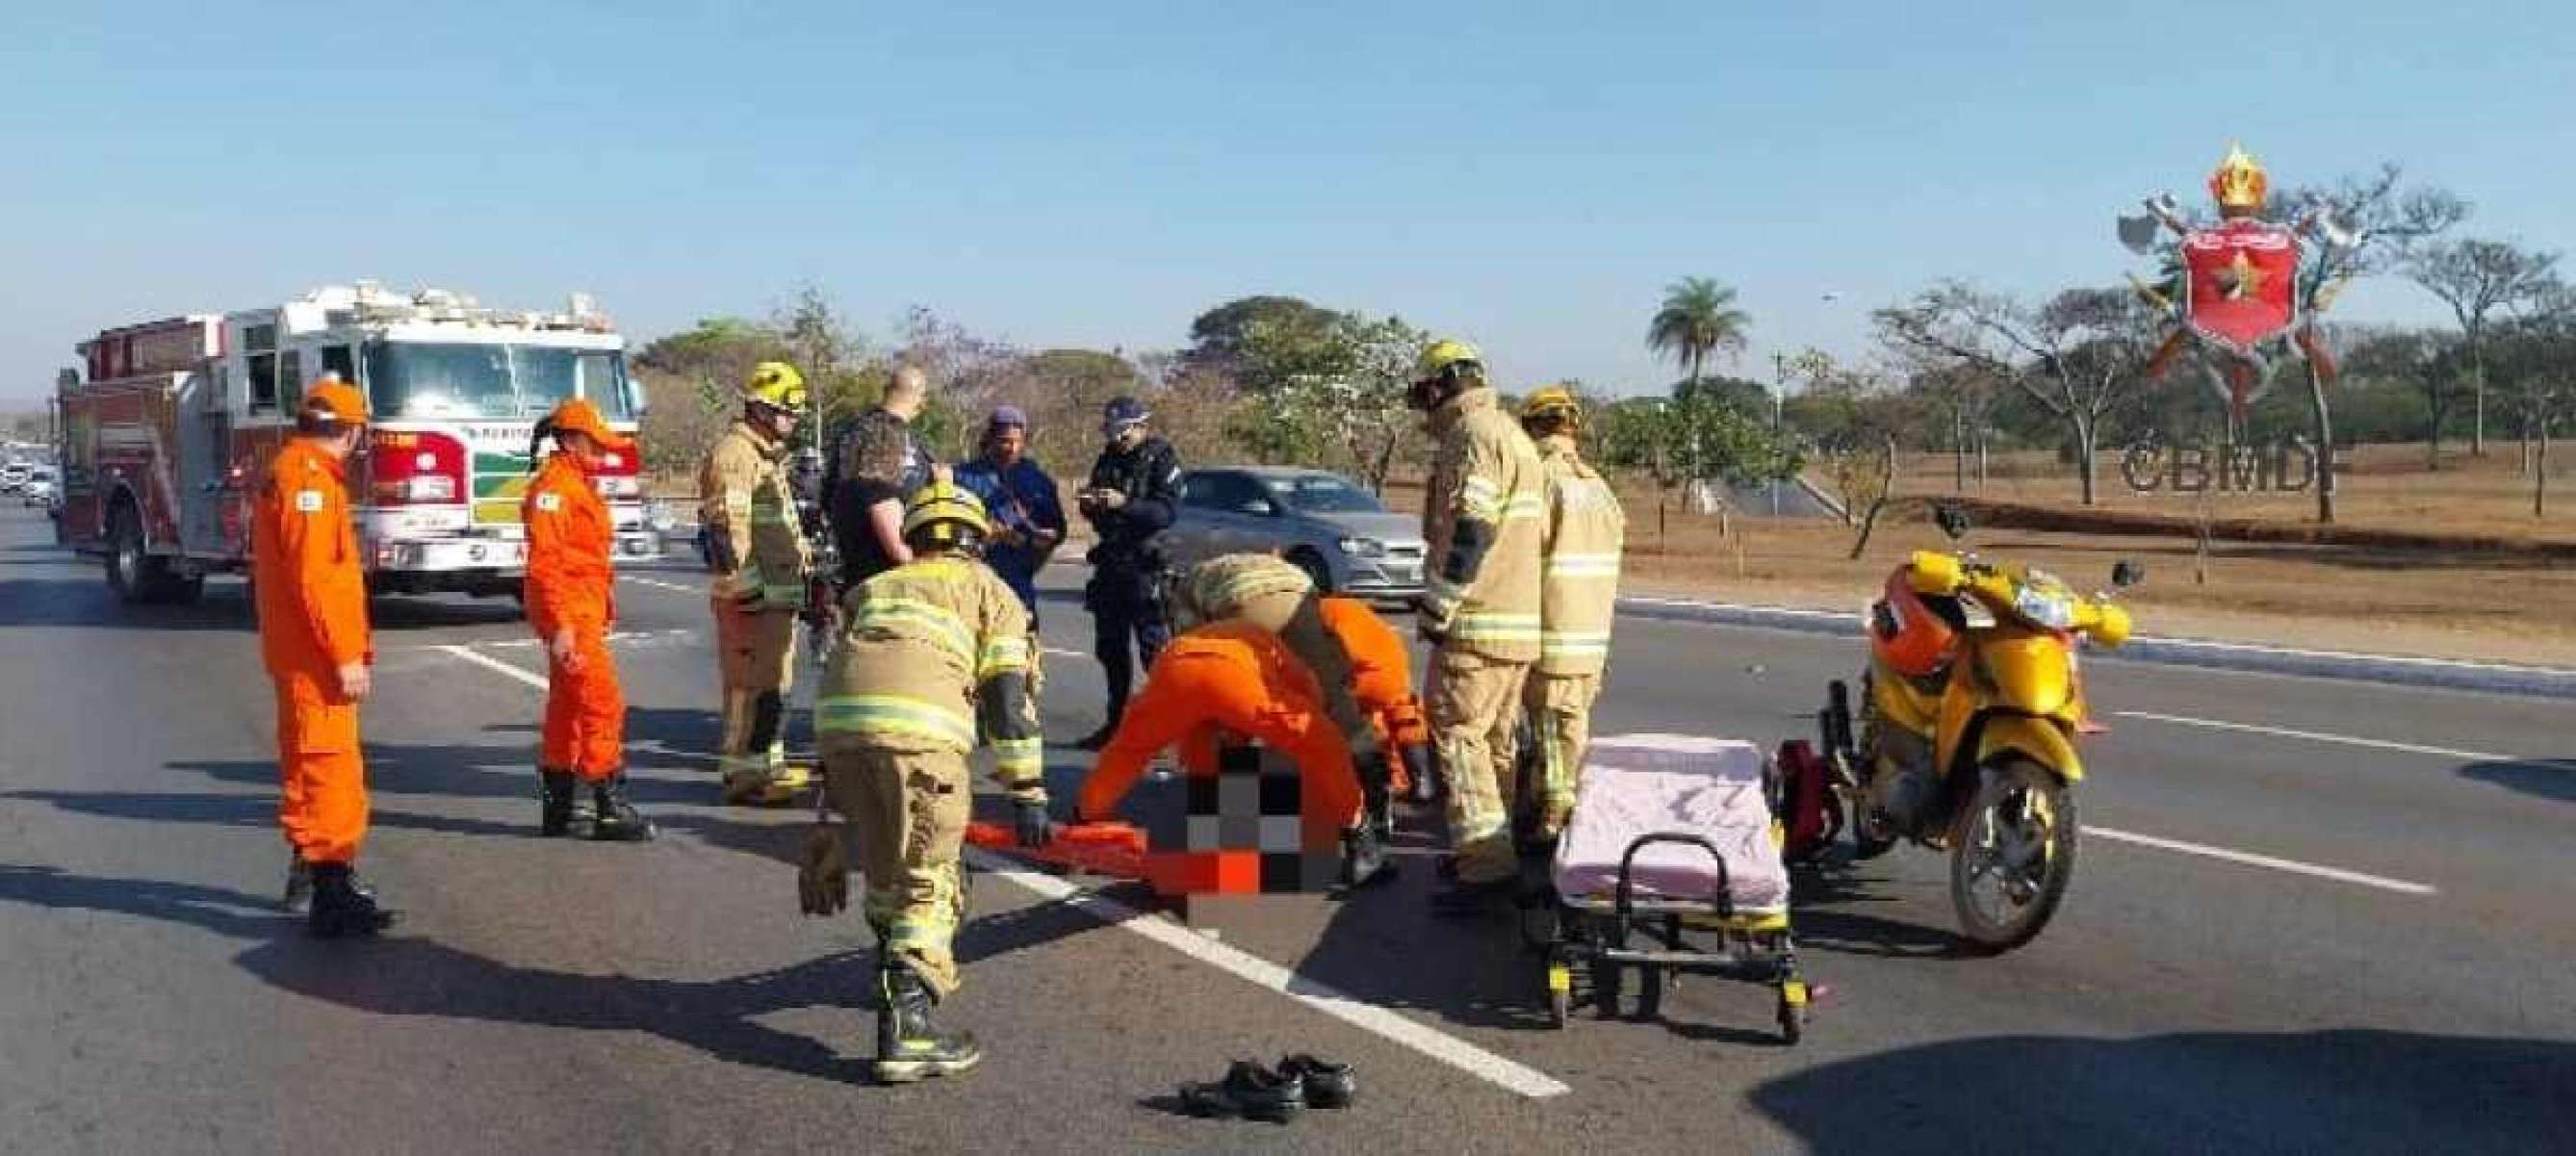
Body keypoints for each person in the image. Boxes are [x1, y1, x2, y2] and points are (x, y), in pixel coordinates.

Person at [807, 481, 1047, 1083]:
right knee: (931, 882)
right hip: (920, 740)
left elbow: (848, 672)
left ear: (914, 539)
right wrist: (1027, 789)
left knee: (888, 870)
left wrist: (824, 799)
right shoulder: (992, 591)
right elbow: (1007, 698)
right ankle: (908, 1030)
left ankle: (890, 978)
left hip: (840, 739)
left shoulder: (873, 589)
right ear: (976, 540)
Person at [1073, 619, 1377, 884]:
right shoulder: (1272, 646)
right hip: (1234, 678)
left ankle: (1082, 821)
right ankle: (1359, 837)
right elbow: (1308, 699)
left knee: (1130, 750)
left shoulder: (1215, 631)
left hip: (1176, 668)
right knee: (1324, 745)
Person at [1408, 339, 1546, 910]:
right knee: (1493, 743)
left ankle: (1485, 870)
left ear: (1440, 387)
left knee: (1460, 736)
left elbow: (1473, 529)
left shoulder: (1473, 437)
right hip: (1517, 623)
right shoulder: (1514, 435)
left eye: (1425, 395)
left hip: (1479, 622)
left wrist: (1440, 604)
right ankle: (1496, 848)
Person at [254, 375, 395, 938]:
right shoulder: (308, 483)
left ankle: (313, 876)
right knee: (331, 769)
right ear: (353, 432)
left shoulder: (293, 473)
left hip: (300, 652)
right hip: (316, 657)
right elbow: (317, 580)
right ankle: (331, 890)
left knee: (308, 767)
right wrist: (345, 657)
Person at [523, 397, 653, 841]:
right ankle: (607, 804)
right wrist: (561, 626)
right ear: (572, 440)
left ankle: (560, 807)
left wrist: (603, 612)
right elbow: (547, 563)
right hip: (571, 615)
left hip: (582, 611)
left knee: (568, 707)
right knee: (602, 704)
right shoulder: (556, 491)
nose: (603, 452)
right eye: (595, 444)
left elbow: (590, 560)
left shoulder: (575, 484)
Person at [698, 362, 818, 806]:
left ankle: (766, 767)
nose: (793, 420)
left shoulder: (763, 455)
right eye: (788, 412)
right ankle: (743, 775)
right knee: (748, 687)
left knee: (771, 685)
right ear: (762, 410)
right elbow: (729, 529)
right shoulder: (736, 455)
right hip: (753, 598)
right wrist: (744, 589)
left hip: (773, 598)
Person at [1518, 386, 1625, 842]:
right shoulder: (1597, 486)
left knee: (1550, 727)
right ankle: (1557, 801)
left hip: (1550, 627)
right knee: (1572, 725)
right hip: (1591, 633)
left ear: (1532, 427)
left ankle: (1555, 819)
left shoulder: (1538, 479)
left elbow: (1518, 553)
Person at [1073, 396, 1181, 751]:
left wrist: (1126, 504)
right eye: (1112, 432)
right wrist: (1092, 505)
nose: (1117, 439)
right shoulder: (1107, 457)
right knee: (1111, 649)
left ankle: (1168, 730)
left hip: (1146, 567)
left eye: (1123, 432)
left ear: (1141, 426)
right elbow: (1101, 510)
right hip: (1112, 564)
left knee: (1155, 652)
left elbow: (1165, 513)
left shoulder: (1161, 458)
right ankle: (1115, 724)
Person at [825, 363, 936, 589]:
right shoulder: (887, 436)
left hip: (852, 566)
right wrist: (909, 558)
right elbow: (877, 497)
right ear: (920, 400)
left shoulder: (849, 432)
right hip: (885, 575)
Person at [951, 405, 1065, 624]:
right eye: (1004, 441)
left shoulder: (1037, 479)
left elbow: (1056, 526)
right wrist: (989, 531)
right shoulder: (963, 477)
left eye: (1017, 442)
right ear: (991, 438)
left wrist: (1046, 539)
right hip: (972, 577)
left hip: (1018, 581)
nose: (1011, 448)